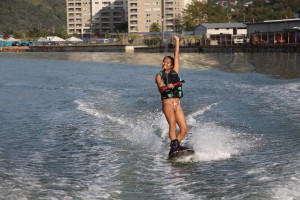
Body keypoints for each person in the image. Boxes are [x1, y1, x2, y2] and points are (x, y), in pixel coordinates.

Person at [155, 35, 189, 157]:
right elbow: (160, 89)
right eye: (164, 61)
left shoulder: (175, 71)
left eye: (168, 62)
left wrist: (177, 41)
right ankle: (174, 147)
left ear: (171, 65)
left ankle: (175, 146)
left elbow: (177, 55)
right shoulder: (159, 75)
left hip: (177, 103)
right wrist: (166, 87)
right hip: (167, 103)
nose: (165, 63)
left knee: (184, 129)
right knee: (173, 124)